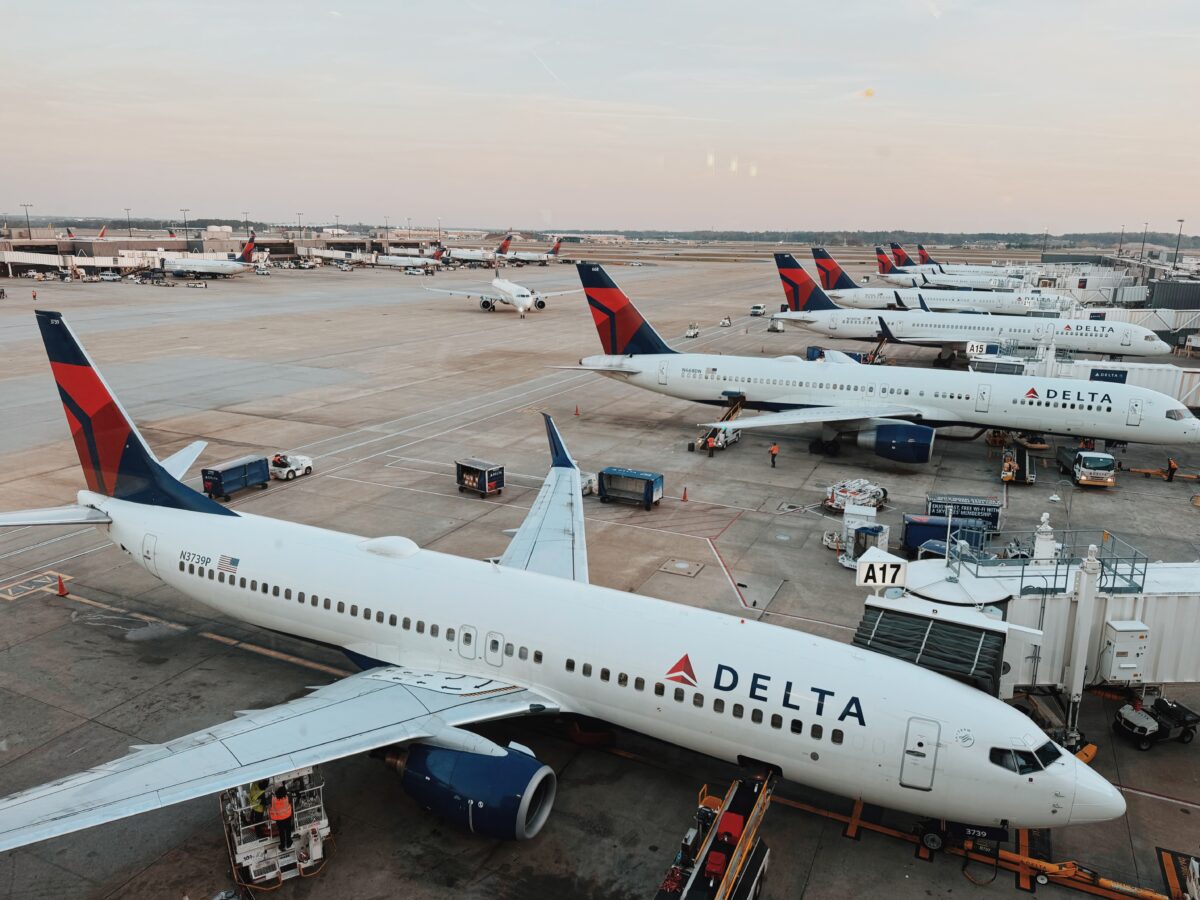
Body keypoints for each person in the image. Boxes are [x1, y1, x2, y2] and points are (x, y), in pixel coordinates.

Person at [270, 785, 294, 851]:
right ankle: (289, 842)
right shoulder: (286, 798)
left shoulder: (274, 800)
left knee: (281, 832)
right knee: (288, 830)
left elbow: (272, 801)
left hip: (279, 818)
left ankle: (282, 844)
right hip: (287, 816)